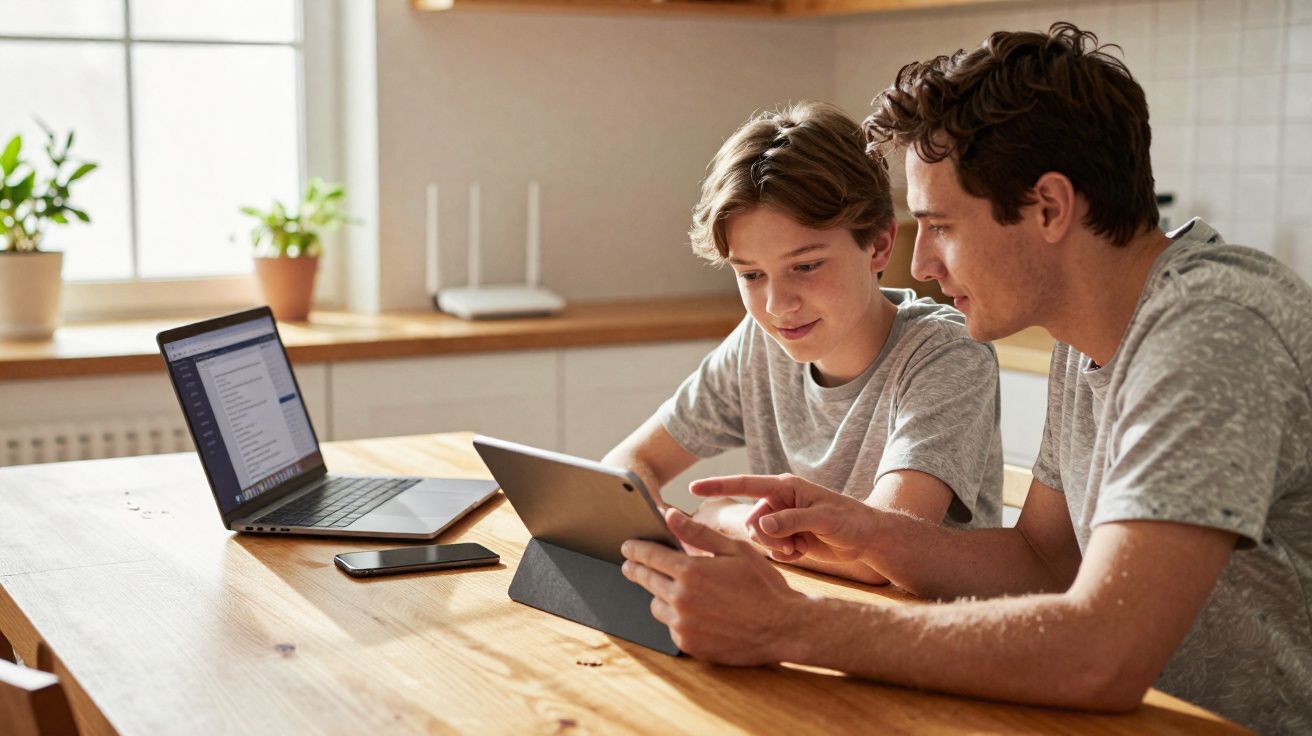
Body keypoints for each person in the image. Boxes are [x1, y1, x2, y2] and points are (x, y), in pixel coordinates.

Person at [620, 23, 1312, 735]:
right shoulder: (1092, 337)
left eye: (940, 226)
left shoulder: (1212, 327)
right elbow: (1043, 559)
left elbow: (1101, 654)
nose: (919, 265)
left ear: (1048, 207)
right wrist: (868, 531)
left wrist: (793, 626)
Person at [603, 100, 1003, 585]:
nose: (777, 305)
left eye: (806, 266)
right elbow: (626, 468)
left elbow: (882, 555)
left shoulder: (945, 354)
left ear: (878, 244)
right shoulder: (760, 343)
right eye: (751, 274)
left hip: (921, 634)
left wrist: (723, 521)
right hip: (800, 606)